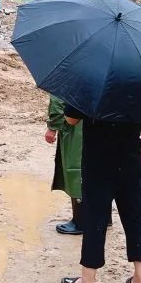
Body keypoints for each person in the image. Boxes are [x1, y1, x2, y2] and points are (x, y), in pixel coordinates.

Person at [60, 105, 141, 283]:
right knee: (136, 219)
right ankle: (140, 282)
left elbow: (71, 120)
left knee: (94, 220)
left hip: (97, 164)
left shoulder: (89, 85)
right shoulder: (140, 86)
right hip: (131, 164)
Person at [46, 95, 84, 235]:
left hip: (76, 127)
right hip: (102, 127)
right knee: (99, 170)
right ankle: (104, 217)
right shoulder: (106, 74)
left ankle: (80, 221)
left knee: (75, 168)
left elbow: (58, 100)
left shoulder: (68, 74)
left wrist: (53, 127)